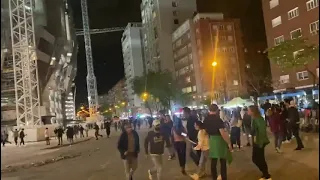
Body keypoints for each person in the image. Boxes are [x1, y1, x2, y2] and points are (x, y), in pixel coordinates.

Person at [203, 104, 232, 180]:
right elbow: (222, 132)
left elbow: (205, 131)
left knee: (213, 161)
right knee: (222, 161)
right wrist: (229, 143)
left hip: (211, 140)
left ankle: (214, 178)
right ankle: (224, 177)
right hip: (219, 141)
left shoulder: (206, 119)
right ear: (216, 110)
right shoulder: (218, 119)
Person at [248, 105, 271, 180]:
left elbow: (261, 131)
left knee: (257, 159)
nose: (247, 111)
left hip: (259, 141)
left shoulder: (257, 119)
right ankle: (265, 174)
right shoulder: (256, 118)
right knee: (259, 158)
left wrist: (259, 141)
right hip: (258, 141)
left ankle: (266, 174)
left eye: (249, 110)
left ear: (252, 111)